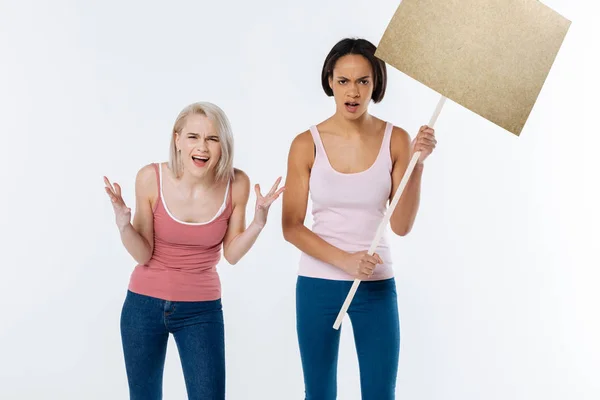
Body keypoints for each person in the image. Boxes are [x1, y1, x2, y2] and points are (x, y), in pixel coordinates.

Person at [281, 38, 437, 399]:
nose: (353, 92)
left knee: (380, 393)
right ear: (330, 82)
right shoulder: (306, 144)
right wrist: (345, 261)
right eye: (344, 81)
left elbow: (400, 226)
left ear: (376, 84)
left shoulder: (396, 139)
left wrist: (417, 166)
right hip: (318, 284)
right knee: (319, 392)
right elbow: (290, 225)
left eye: (363, 81)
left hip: (376, 284)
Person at [103, 102, 284, 400]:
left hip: (201, 310)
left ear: (223, 145)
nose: (202, 147)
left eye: (212, 139)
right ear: (177, 139)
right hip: (142, 307)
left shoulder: (236, 184)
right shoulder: (150, 178)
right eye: (193, 137)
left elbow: (233, 255)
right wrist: (124, 225)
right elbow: (142, 254)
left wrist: (258, 222)